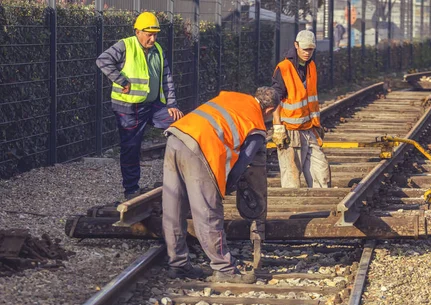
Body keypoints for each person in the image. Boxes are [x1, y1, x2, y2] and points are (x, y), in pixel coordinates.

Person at [162, 87, 279, 284]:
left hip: (177, 135)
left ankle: (178, 264)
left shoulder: (232, 96)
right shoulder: (256, 124)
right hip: (201, 148)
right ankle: (224, 268)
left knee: (174, 208)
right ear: (269, 110)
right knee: (208, 212)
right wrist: (224, 187)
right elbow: (242, 164)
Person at [96, 12, 183, 200]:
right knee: (131, 148)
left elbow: (167, 79)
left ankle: (182, 177)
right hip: (127, 109)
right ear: (137, 32)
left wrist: (172, 105)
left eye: (155, 34)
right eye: (149, 34)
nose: (153, 39)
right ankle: (131, 191)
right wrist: (121, 80)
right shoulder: (125, 46)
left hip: (152, 106)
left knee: (181, 126)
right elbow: (102, 60)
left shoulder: (158, 50)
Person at [271, 30, 331, 189]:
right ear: (296, 46)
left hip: (309, 129)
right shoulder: (284, 68)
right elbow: (275, 98)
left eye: (310, 49)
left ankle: (322, 207)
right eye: (304, 49)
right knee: (292, 177)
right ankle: (293, 209)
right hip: (290, 131)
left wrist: (317, 124)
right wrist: (277, 127)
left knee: (322, 172)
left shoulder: (311, 66)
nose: (307, 53)